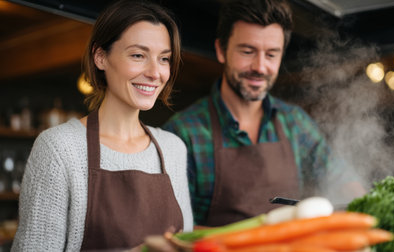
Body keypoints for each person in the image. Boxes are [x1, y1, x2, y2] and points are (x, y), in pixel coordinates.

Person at [163, 0, 363, 227]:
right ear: (221, 50)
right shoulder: (183, 133)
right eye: (248, 51)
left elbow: (342, 180)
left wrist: (365, 208)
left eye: (271, 54)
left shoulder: (295, 123)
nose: (260, 67)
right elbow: (175, 228)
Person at [12, 0, 193, 250]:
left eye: (164, 59)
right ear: (100, 57)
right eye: (138, 55)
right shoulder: (58, 148)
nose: (155, 72)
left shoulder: (173, 149)